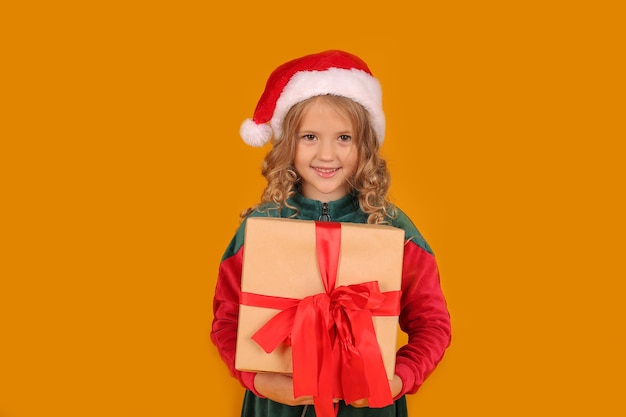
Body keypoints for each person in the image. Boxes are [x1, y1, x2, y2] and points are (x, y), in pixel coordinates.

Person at [211, 50, 451, 417]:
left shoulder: (394, 228)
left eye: (344, 137)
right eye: (309, 136)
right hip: (275, 407)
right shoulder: (259, 227)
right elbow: (226, 321)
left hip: (368, 407)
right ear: (287, 142)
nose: (327, 154)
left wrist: (399, 380)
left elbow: (432, 324)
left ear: (365, 145)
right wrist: (261, 382)